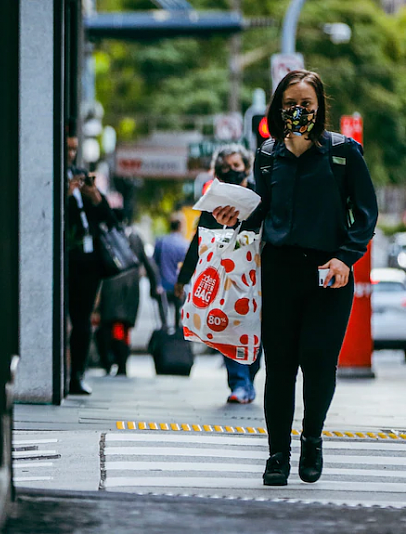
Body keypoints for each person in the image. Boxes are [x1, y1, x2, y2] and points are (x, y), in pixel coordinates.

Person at [213, 70, 377, 486]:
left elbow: (366, 214)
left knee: (319, 365)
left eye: (306, 104)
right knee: (281, 368)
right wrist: (233, 215)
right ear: (277, 108)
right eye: (290, 105)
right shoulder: (267, 155)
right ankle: (276, 456)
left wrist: (345, 258)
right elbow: (262, 209)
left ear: (320, 106)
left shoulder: (343, 153)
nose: (298, 111)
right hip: (280, 273)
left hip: (329, 275)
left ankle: (312, 439)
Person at [175, 145, 262, 404]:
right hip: (225, 276)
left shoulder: (262, 194)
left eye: (236, 166)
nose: (231, 171)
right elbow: (198, 241)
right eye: (225, 168)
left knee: (253, 328)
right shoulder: (213, 201)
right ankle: (239, 383)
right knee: (224, 322)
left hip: (257, 274)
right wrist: (184, 278)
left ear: (247, 167)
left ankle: (248, 379)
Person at [65, 132, 118, 395]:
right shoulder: (53, 173)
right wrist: (66, 193)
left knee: (82, 319)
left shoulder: (79, 174)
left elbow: (109, 218)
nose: (71, 153)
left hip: (87, 260)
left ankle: (77, 374)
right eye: (67, 148)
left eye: (74, 149)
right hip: (63, 256)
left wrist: (94, 196)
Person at [96, 208, 162, 376]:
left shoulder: (106, 236)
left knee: (113, 324)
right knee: (124, 325)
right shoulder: (135, 236)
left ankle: (117, 362)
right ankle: (122, 362)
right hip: (131, 285)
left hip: (110, 284)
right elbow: (148, 263)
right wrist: (155, 285)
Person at [153, 215, 189, 327]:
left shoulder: (161, 242)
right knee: (178, 315)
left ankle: (164, 331)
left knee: (164, 315)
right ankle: (177, 332)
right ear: (180, 227)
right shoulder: (185, 244)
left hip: (164, 286)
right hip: (180, 285)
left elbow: (154, 263)